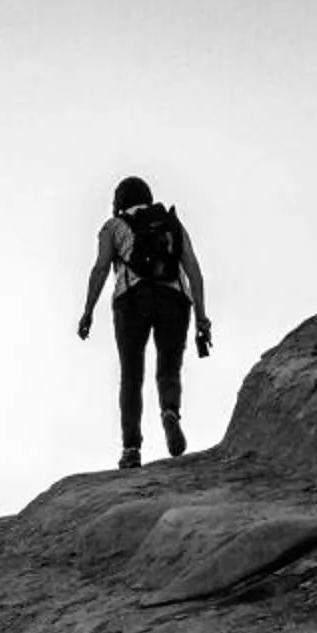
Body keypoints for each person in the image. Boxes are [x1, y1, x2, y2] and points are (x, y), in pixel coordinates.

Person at [75, 174, 213, 470]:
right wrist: (202, 317)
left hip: (131, 299)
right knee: (169, 367)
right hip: (175, 298)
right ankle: (170, 412)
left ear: (119, 201)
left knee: (131, 375)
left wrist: (87, 312)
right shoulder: (171, 223)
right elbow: (194, 271)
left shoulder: (112, 227)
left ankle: (131, 449)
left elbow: (100, 268)